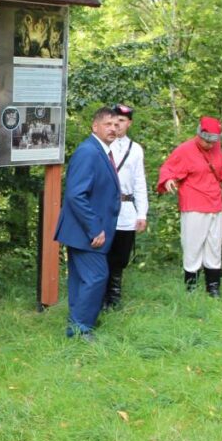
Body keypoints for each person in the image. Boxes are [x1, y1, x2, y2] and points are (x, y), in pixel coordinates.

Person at [157, 116, 222, 297]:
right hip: (194, 203)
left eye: (213, 141)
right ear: (199, 134)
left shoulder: (216, 148)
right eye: (206, 140)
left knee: (214, 246)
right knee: (192, 246)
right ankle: (191, 289)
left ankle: (213, 289)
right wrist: (168, 179)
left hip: (215, 203)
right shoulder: (185, 150)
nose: (209, 145)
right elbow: (168, 168)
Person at [53, 106, 121, 340]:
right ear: (95, 126)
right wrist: (95, 228)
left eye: (116, 124)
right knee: (96, 276)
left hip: (85, 230)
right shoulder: (89, 152)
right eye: (107, 124)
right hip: (86, 231)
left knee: (82, 278)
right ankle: (81, 328)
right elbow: (75, 194)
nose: (113, 128)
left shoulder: (102, 151)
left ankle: (78, 324)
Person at [103, 104, 148, 310]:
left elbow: (140, 182)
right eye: (114, 120)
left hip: (127, 207)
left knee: (121, 256)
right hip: (104, 206)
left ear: (129, 123)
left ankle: (114, 297)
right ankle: (100, 296)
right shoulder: (103, 145)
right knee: (103, 252)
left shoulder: (136, 149)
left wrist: (142, 213)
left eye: (122, 121)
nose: (117, 125)